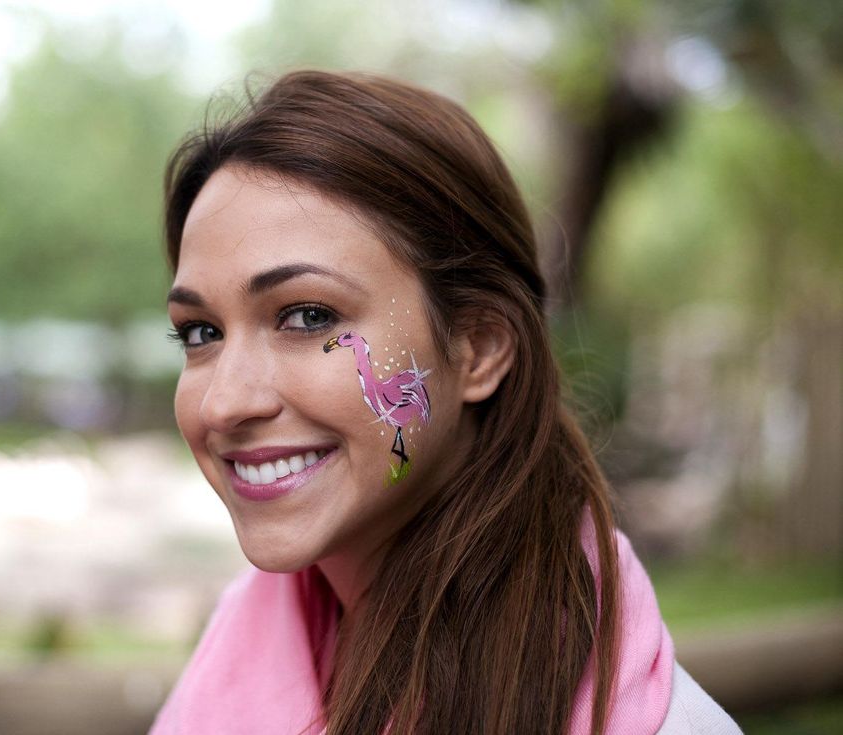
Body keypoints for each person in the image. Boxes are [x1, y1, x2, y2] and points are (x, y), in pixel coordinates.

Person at [149, 70, 740, 735]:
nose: (224, 402)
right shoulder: (239, 659)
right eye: (201, 332)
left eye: (308, 315)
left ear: (479, 348)